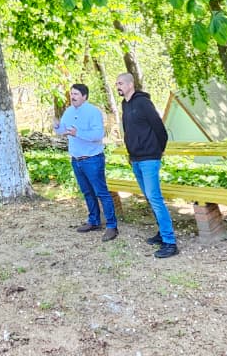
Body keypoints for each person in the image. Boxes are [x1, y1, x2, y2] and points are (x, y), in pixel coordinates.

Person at [115, 72, 178, 258]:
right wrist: (130, 153)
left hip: (149, 158)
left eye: (120, 83)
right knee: (150, 198)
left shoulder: (143, 102)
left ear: (130, 84)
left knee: (155, 198)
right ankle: (162, 233)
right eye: (117, 84)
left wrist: (158, 150)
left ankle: (170, 242)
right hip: (135, 159)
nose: (118, 86)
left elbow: (159, 128)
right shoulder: (125, 104)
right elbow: (129, 131)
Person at [53, 83, 118, 241]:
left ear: (84, 96)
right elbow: (63, 131)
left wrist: (78, 133)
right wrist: (57, 126)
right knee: (87, 192)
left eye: (76, 94)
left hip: (92, 159)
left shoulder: (93, 112)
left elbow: (98, 135)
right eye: (71, 94)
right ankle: (94, 221)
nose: (72, 97)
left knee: (101, 192)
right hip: (76, 159)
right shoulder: (68, 111)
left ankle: (112, 226)